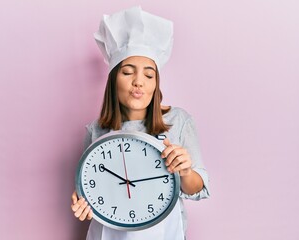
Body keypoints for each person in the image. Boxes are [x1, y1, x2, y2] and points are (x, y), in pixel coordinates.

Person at [71, 6, 210, 240]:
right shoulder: (95, 130)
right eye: (127, 72)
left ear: (156, 83)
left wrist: (185, 171)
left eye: (148, 75)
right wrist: (83, 204)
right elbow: (89, 189)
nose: (139, 82)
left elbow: (195, 188)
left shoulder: (178, 121)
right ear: (114, 80)